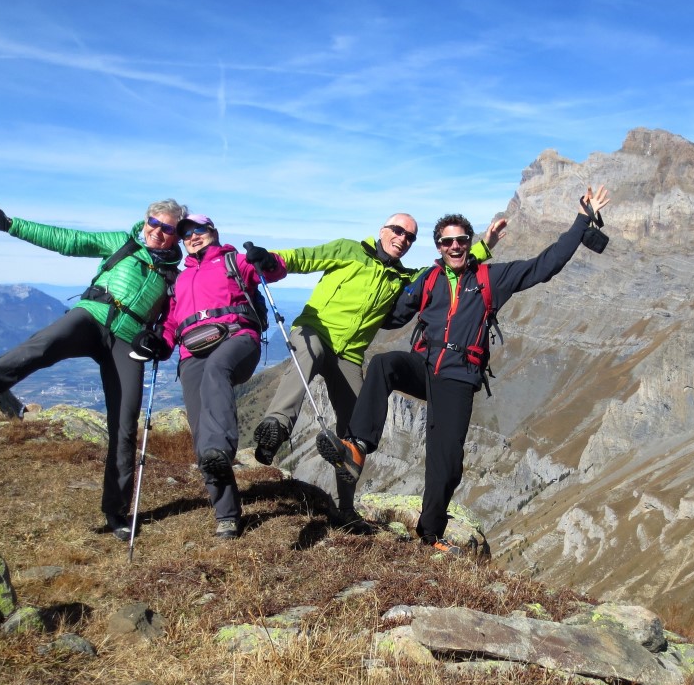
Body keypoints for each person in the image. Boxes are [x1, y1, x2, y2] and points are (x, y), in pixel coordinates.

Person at [316, 186, 612, 555]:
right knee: (383, 363)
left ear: (468, 244)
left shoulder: (490, 279)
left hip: (458, 376)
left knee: (446, 460)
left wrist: (583, 220)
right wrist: (337, 307)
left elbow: (545, 265)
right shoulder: (427, 279)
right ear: (438, 247)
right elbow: (390, 317)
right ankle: (357, 446)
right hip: (424, 365)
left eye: (460, 241)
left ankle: (429, 535)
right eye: (446, 241)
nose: (454, 247)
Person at [0, 199, 184, 542]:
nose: (158, 231)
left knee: (125, 424)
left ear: (176, 235)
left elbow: (172, 322)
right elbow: (68, 240)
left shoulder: (174, 277)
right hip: (91, 316)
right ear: (145, 220)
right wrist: (12, 225)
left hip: (128, 341)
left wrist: (162, 344)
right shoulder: (121, 243)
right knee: (38, 348)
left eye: (168, 227)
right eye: (155, 222)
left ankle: (117, 511)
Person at [250, 214, 502, 530]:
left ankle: (345, 509)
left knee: (356, 427)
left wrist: (485, 245)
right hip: (316, 332)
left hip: (350, 356)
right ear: (382, 231)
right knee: (307, 350)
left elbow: (447, 269)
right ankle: (277, 427)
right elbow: (302, 258)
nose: (403, 239)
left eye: (410, 237)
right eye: (397, 230)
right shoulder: (347, 250)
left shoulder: (403, 278)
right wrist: (270, 260)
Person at [135, 214, 286, 540]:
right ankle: (227, 517)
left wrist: (267, 259)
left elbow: (273, 271)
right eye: (186, 233)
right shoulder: (179, 279)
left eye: (198, 230)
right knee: (201, 430)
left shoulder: (235, 261)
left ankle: (222, 449)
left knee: (217, 371)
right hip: (192, 353)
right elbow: (173, 323)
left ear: (213, 232)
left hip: (238, 340)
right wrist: (159, 342)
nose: (192, 236)